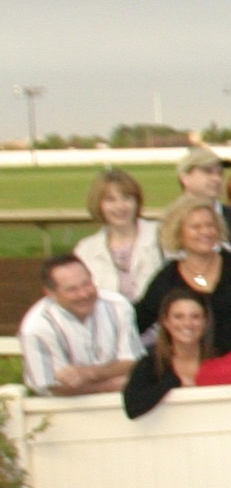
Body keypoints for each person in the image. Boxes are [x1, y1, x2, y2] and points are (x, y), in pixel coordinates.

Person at [139, 196, 231, 357]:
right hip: (191, 368)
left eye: (210, 225)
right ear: (179, 232)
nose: (205, 232)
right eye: (196, 227)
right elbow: (139, 320)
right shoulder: (167, 278)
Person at [19, 255, 139, 397]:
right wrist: (110, 384)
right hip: (62, 410)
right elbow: (51, 386)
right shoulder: (36, 327)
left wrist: (88, 373)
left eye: (87, 284)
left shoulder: (118, 306)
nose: (84, 294)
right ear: (50, 293)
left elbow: (132, 362)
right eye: (72, 289)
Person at [75, 168, 162, 304]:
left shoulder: (162, 236)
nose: (120, 206)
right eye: (110, 200)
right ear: (99, 205)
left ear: (137, 202)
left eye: (126, 198)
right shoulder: (86, 250)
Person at [123, 292, 212, 418]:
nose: (187, 323)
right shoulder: (151, 364)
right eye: (178, 317)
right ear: (166, 322)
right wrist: (173, 381)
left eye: (195, 317)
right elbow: (132, 407)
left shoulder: (220, 359)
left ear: (205, 322)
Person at [176, 147, 231, 249]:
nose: (216, 179)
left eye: (220, 173)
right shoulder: (171, 221)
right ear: (185, 178)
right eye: (208, 172)